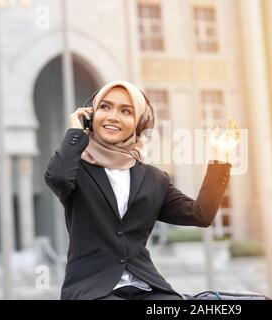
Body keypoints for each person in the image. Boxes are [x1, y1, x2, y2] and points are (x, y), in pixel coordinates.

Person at [44, 80, 240, 300]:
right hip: (92, 288)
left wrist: (219, 158)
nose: (113, 116)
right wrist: (75, 132)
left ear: (138, 123)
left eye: (126, 111)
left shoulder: (154, 179)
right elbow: (57, 178)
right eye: (105, 107)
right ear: (90, 115)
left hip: (146, 286)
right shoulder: (76, 169)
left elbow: (201, 214)